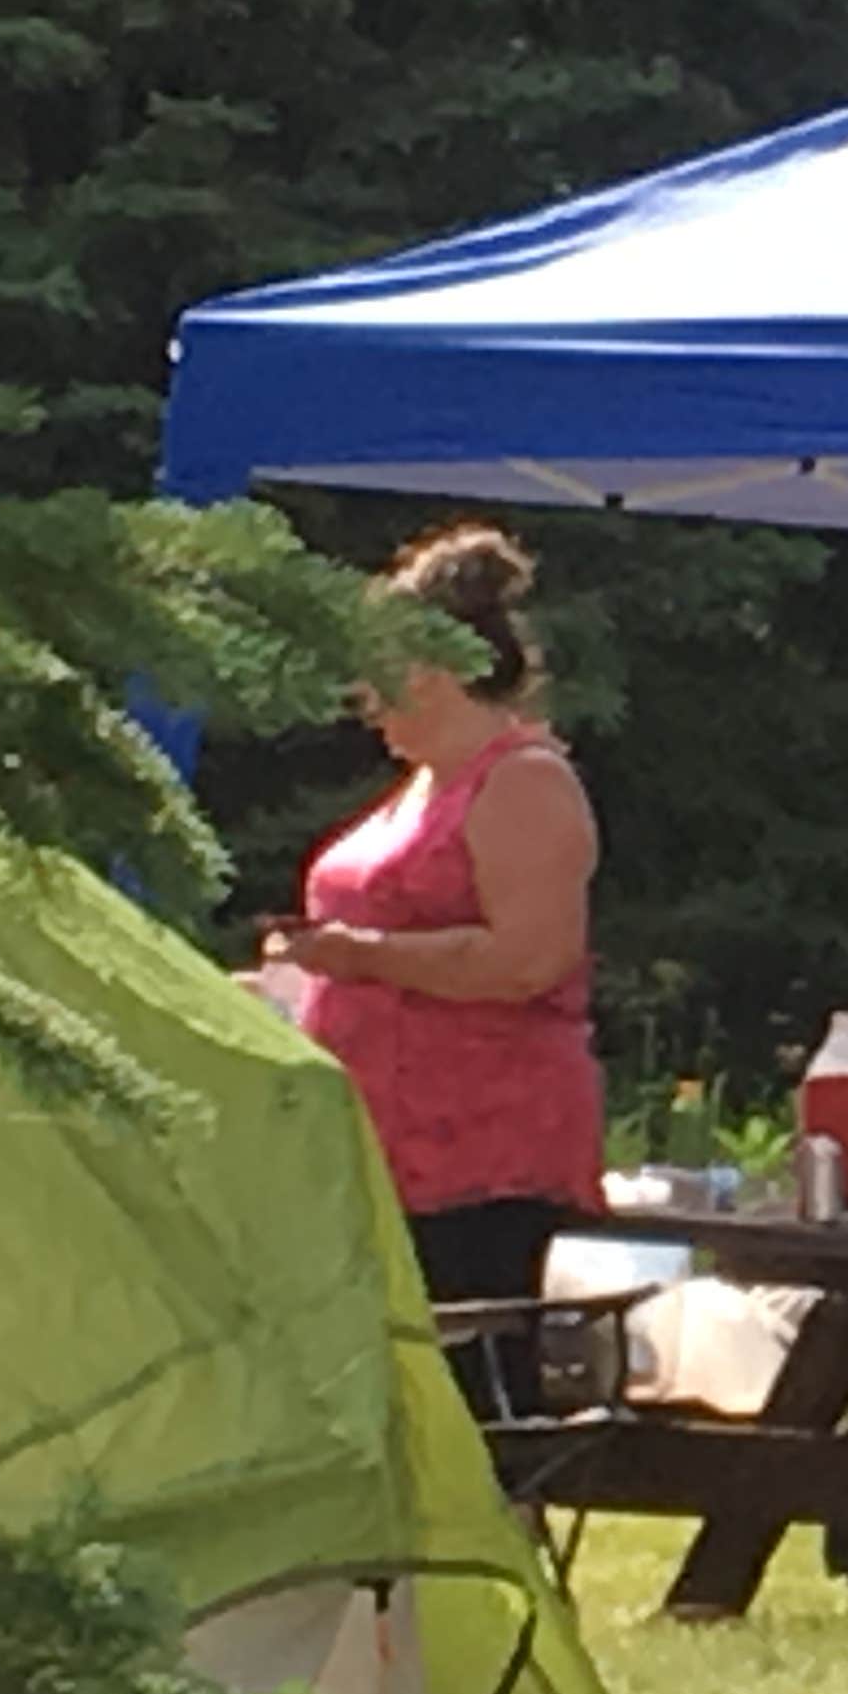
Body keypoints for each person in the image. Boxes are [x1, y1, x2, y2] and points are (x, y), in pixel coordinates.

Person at [265, 522, 602, 1404]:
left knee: (468, 1385)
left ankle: (489, 1533)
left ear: (431, 668)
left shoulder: (522, 780)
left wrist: (359, 958)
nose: (362, 701)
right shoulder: (422, 785)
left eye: (374, 674)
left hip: (478, 1151)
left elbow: (530, 959)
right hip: (383, 1140)